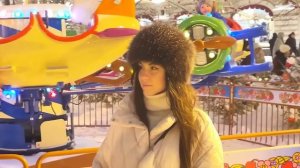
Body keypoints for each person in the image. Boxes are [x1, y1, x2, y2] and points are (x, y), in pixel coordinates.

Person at [92, 22, 223, 168]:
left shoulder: (197, 125)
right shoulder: (125, 116)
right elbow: (101, 164)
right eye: (141, 66)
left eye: (154, 68)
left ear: (173, 74)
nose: (144, 76)